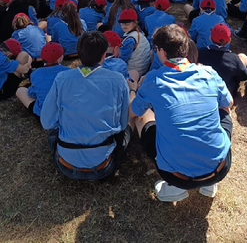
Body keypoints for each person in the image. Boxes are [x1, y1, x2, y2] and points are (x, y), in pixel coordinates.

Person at [129, 24, 233, 202]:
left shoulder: (154, 79)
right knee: (224, 110)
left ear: (161, 51)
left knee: (143, 116)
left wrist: (133, 90)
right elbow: (228, 102)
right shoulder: (208, 72)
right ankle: (208, 182)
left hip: (175, 175)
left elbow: (133, 112)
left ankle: (174, 187)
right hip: (220, 167)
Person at [40, 31, 131, 180]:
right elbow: (122, 124)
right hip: (103, 166)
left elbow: (46, 121)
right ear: (103, 55)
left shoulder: (62, 78)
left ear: (78, 53)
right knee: (126, 129)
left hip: (65, 163)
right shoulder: (118, 80)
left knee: (53, 132)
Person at [16, 43, 71, 118]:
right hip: (65, 115)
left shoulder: (35, 74)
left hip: (44, 116)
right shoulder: (68, 71)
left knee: (21, 90)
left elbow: (32, 93)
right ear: (59, 59)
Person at [198, 23, 247, 98]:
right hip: (226, 93)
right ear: (229, 40)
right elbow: (244, 76)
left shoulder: (201, 52)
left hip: (205, 90)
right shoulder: (233, 58)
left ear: (210, 38)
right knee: (243, 57)